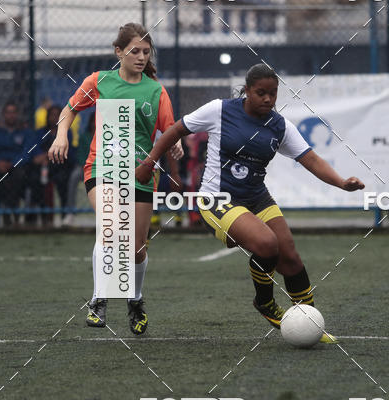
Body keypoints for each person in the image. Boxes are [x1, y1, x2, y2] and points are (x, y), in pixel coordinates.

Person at [136, 63, 365, 343]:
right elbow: (175, 130)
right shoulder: (219, 110)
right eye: (261, 93)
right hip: (216, 199)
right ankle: (265, 302)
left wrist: (342, 182)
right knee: (267, 244)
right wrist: (149, 163)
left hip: (256, 197)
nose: (268, 99)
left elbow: (312, 159)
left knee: (290, 257)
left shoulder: (280, 126)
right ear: (247, 91)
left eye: (273, 93)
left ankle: (310, 323)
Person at [48, 22, 183, 335]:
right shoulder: (99, 81)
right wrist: (61, 134)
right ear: (119, 51)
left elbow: (169, 129)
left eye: (146, 52)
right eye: (134, 51)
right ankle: (99, 298)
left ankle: (135, 300)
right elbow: (69, 109)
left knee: (136, 249)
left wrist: (174, 142)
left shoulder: (156, 90)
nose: (141, 57)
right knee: (110, 226)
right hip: (102, 168)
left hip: (141, 173)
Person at [0, 101, 37, 226]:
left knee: (18, 176)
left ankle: (12, 212)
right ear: (3, 114)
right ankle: (9, 212)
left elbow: (27, 152)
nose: (11, 115)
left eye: (13, 112)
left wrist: (13, 164)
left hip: (18, 167)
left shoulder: (25, 132)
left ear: (18, 114)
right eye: (8, 112)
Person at [41, 105, 75, 224]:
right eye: (52, 115)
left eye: (57, 115)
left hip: (61, 165)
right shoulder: (42, 132)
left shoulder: (67, 132)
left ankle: (65, 215)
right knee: (41, 184)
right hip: (45, 167)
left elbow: (67, 151)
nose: (54, 118)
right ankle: (45, 216)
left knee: (63, 182)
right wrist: (43, 157)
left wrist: (50, 154)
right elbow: (37, 150)